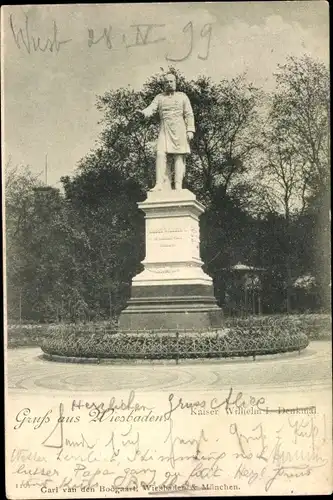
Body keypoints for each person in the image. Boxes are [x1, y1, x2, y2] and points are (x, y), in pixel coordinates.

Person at [135, 73, 195, 191]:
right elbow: (151, 108)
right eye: (167, 82)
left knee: (179, 155)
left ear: (175, 82)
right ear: (164, 84)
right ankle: (159, 184)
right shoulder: (160, 97)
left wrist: (190, 129)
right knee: (160, 153)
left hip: (180, 128)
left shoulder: (183, 96)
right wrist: (143, 113)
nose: (169, 83)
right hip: (165, 127)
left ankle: (178, 185)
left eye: (171, 81)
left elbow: (189, 114)